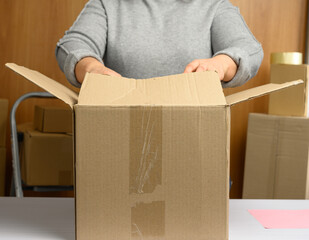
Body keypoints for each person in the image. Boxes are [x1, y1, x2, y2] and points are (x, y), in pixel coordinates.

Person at [55, 0, 263, 88]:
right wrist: (91, 68)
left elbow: (248, 48)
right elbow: (74, 43)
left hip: (196, 137)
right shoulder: (107, 3)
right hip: (118, 135)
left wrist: (221, 64)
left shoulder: (214, 5)